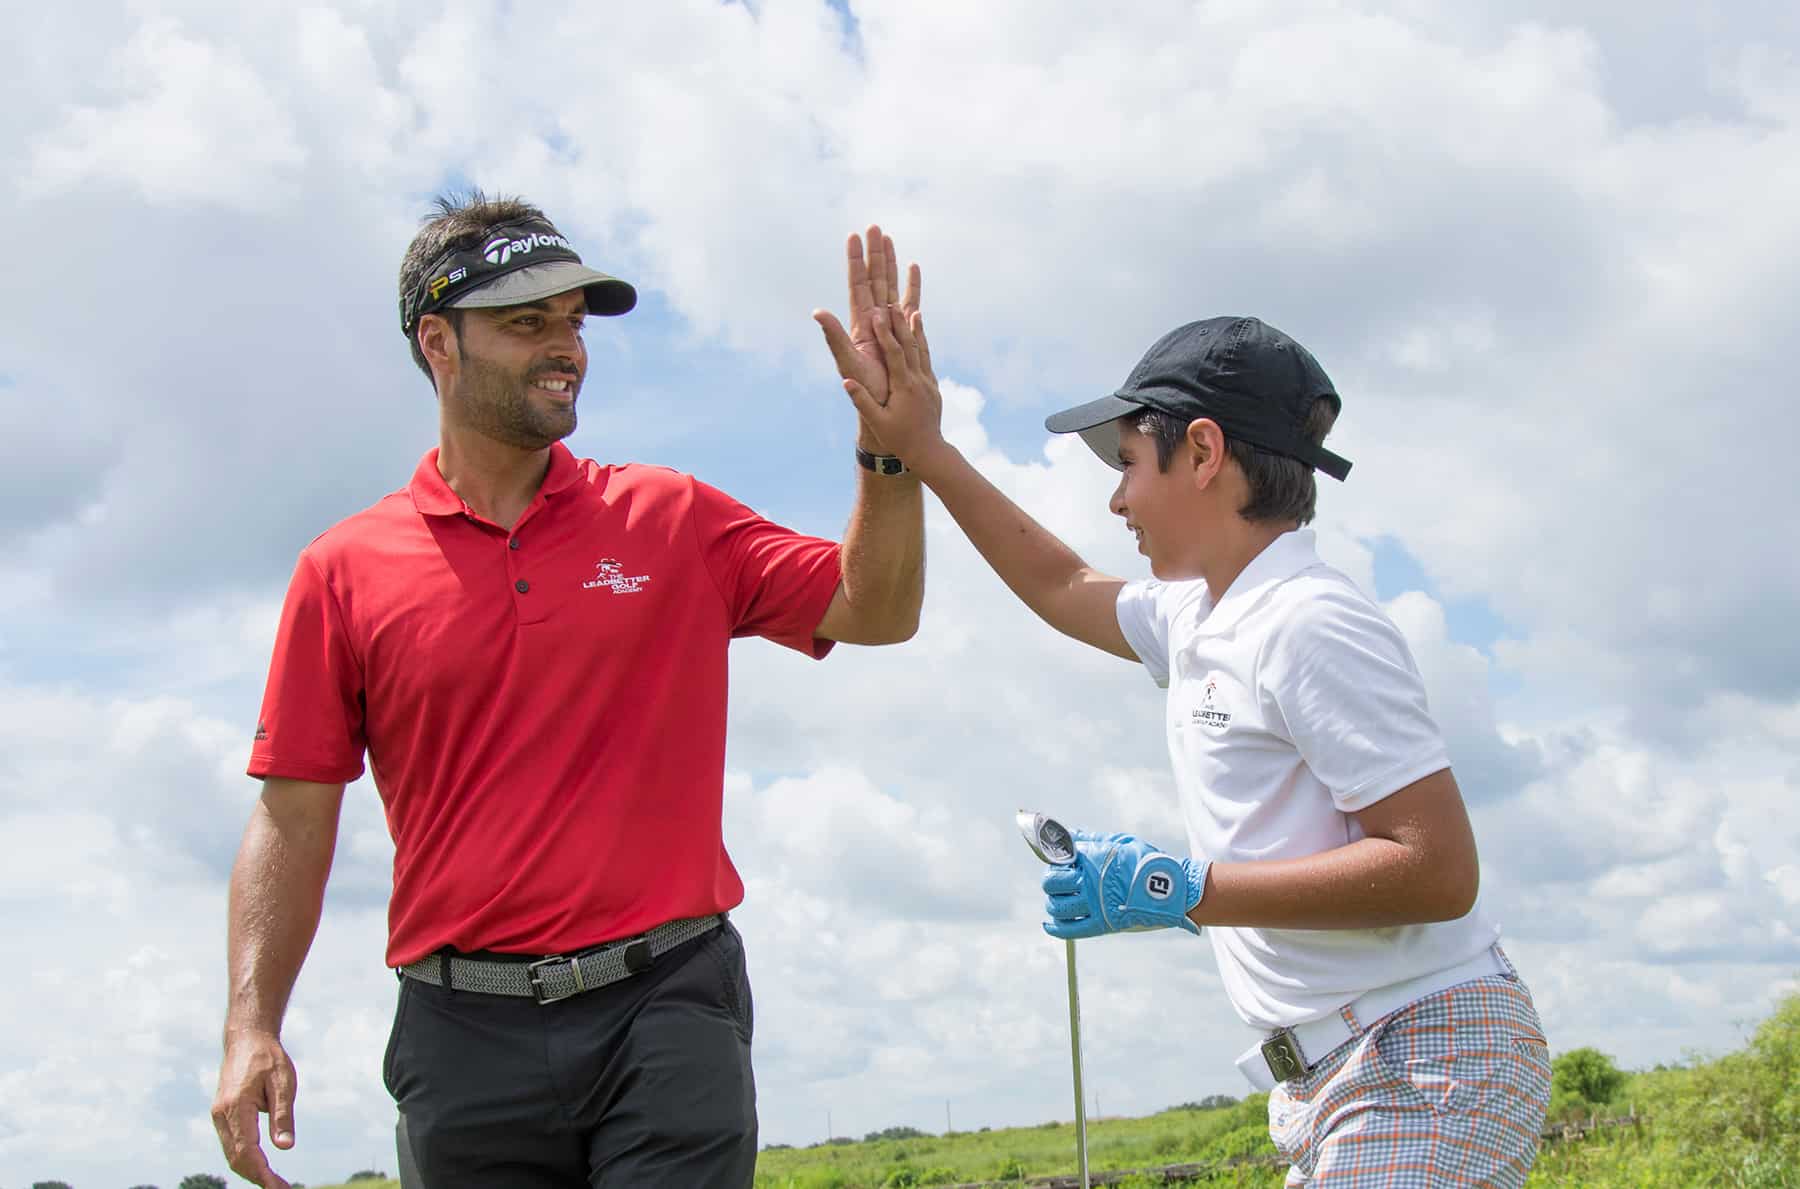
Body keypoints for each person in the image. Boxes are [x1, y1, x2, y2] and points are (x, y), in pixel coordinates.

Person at [210, 192, 927, 1189]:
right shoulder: (342, 571)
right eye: (526, 322)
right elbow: (292, 813)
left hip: (667, 1002)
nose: (565, 348)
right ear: (437, 341)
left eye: (573, 323)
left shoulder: (670, 516)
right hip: (461, 1033)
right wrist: (251, 1023)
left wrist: (890, 453)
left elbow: (875, 607)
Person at [822, 306, 1552, 1186]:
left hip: (1421, 1054)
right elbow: (1061, 582)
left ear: (1203, 452)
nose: (1117, 499)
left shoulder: (1308, 621)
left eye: (1129, 462)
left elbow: (1438, 871)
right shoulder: (1201, 616)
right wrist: (927, 451)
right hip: (1339, 1072)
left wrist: (1179, 889)